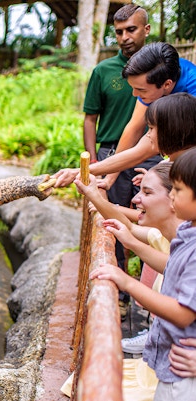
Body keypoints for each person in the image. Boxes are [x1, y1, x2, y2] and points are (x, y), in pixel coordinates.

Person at [89, 146, 196, 400]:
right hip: (170, 364)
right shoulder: (186, 234)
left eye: (178, 191)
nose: (172, 198)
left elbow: (183, 313)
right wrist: (131, 242)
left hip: (182, 373)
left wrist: (127, 282)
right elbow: (172, 268)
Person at [53, 43, 196, 188]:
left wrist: (81, 172)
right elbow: (134, 128)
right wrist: (109, 179)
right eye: (133, 88)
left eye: (140, 90)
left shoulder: (191, 90)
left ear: (167, 85)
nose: (135, 95)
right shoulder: (154, 80)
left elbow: (146, 149)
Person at [82, 4, 155, 282]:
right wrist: (95, 161)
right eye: (119, 32)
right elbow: (90, 119)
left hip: (149, 153)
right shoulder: (103, 71)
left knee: (149, 217)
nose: (125, 37)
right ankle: (119, 287)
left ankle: (148, 282)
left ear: (146, 30)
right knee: (109, 219)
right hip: (111, 151)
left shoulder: (160, 69)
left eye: (131, 30)